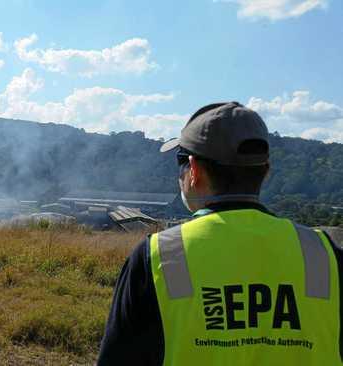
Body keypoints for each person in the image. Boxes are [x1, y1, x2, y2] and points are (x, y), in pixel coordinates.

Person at [97, 102, 342, 365]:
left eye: (181, 162)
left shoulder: (159, 255)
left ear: (194, 170)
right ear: (266, 171)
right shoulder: (323, 253)